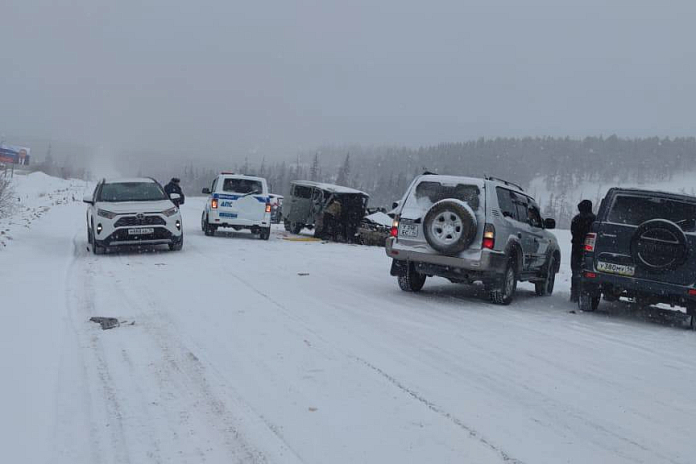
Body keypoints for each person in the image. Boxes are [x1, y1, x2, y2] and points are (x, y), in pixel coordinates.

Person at [570, 199, 596, 302]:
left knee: (575, 271)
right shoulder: (595, 220)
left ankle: (574, 294)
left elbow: (573, 232)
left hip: (577, 248)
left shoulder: (576, 219)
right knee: (587, 272)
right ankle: (584, 293)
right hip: (590, 249)